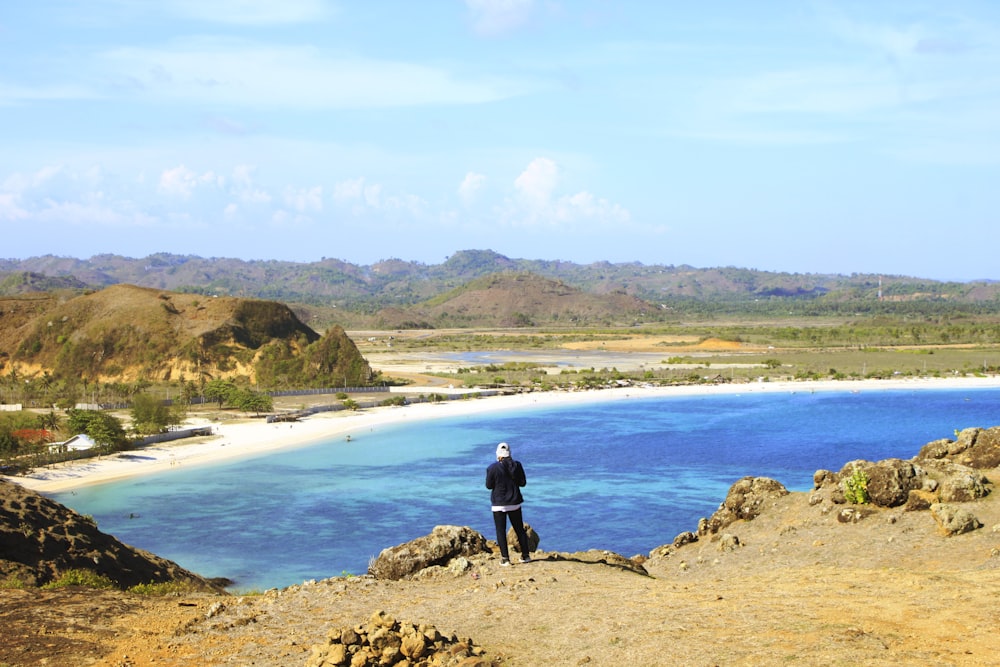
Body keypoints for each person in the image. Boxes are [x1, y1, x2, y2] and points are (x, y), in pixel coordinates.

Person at [485, 441, 532, 566]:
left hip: (499, 503)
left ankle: (505, 559)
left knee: (500, 530)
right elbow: (523, 483)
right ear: (509, 453)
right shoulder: (517, 465)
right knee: (519, 530)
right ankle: (525, 555)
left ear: (498, 455)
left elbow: (489, 486)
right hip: (515, 502)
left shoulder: (492, 468)